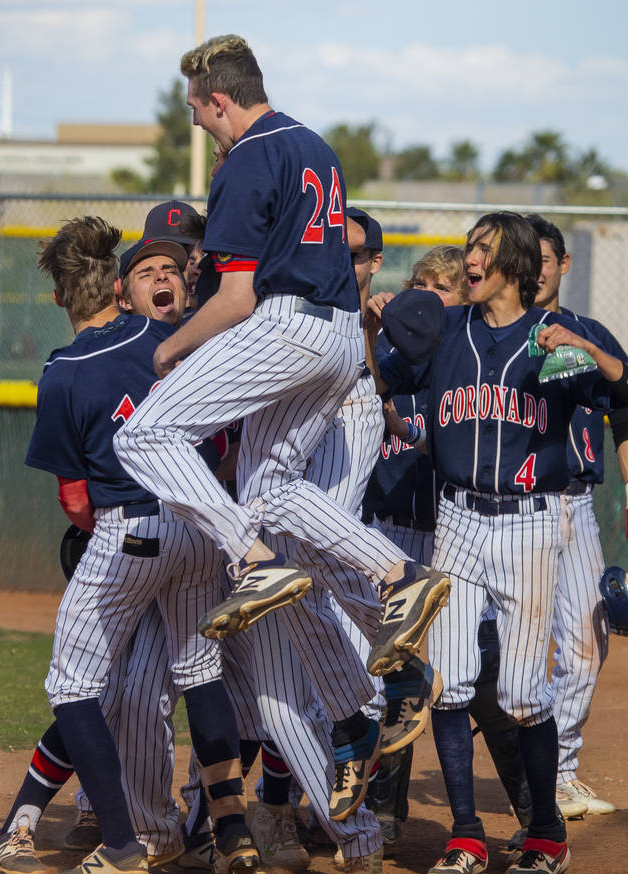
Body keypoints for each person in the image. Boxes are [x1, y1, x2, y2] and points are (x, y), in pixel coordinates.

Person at [112, 34, 450, 687]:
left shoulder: (246, 157)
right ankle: (398, 574)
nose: (198, 123)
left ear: (219, 101)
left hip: (285, 327)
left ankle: (253, 560)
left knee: (144, 434)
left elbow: (237, 299)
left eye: (196, 111)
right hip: (341, 339)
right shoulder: (315, 146)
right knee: (270, 487)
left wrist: (172, 345)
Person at [371, 211, 628, 874]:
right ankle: (466, 833)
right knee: (449, 680)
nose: (470, 257)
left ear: (518, 265)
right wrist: (374, 326)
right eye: (469, 245)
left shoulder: (552, 339)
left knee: (526, 693)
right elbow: (384, 380)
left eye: (484, 248)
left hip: (531, 522)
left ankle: (546, 833)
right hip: (458, 517)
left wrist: (589, 352)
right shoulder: (445, 330)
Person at [14, 216, 259, 874]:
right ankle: (230, 829)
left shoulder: (63, 370)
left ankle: (119, 840)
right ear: (118, 288)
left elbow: (74, 504)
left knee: (72, 683)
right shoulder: (171, 340)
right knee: (199, 666)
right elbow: (220, 443)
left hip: (128, 527)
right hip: (200, 523)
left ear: (63, 297)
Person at [525, 213, 628, 818]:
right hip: (512, 505)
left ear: (563, 265)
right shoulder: (492, 330)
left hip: (576, 504)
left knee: (585, 642)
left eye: (544, 261)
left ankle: (560, 772)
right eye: (525, 261)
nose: (535, 271)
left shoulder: (590, 332)